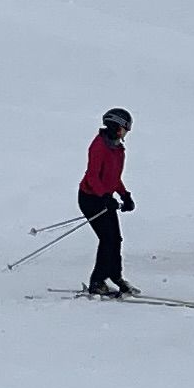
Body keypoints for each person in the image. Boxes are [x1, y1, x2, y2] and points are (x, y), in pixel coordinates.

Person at [78, 108, 135, 297]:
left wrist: (125, 195)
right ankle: (97, 281)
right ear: (115, 127)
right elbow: (92, 176)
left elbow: (113, 177)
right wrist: (105, 197)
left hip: (104, 198)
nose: (126, 132)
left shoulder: (118, 149)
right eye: (124, 128)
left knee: (116, 239)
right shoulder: (99, 146)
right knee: (107, 239)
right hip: (90, 198)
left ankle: (115, 276)